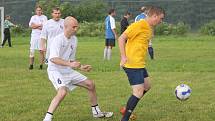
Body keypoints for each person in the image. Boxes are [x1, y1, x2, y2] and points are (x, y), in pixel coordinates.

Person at [42, 16, 113, 121]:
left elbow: (71, 61)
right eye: (74, 27)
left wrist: (81, 67)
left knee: (90, 84)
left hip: (67, 70)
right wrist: (70, 64)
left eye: (77, 27)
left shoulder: (74, 40)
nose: (76, 29)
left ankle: (96, 112)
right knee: (62, 92)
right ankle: (47, 118)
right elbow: (53, 59)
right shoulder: (57, 40)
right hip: (55, 71)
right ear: (66, 27)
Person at [118, 6, 165, 121]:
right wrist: (123, 57)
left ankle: (127, 108)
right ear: (154, 16)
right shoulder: (139, 25)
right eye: (160, 18)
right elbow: (121, 38)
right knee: (138, 92)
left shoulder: (149, 27)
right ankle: (125, 118)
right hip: (132, 64)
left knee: (147, 86)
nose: (161, 21)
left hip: (140, 64)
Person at [28, 5, 48, 70]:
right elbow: (31, 26)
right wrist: (39, 25)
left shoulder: (44, 17)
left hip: (42, 37)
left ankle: (41, 66)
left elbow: (45, 27)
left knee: (41, 51)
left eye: (40, 10)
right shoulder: (33, 17)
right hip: (34, 36)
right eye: (37, 10)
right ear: (35, 11)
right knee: (32, 50)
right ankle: (31, 65)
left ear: (42, 11)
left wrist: (36, 25)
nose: (39, 11)